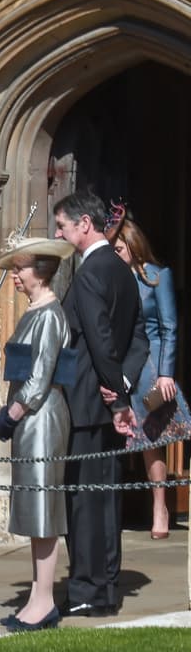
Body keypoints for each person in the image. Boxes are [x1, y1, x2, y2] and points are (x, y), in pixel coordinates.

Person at [53, 191, 147, 618]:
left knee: (87, 501)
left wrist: (116, 393)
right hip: (104, 398)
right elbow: (139, 339)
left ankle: (89, 589)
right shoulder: (122, 270)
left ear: (84, 225)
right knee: (105, 497)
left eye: (63, 226)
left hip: (91, 403)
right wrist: (124, 380)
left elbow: (100, 338)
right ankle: (104, 584)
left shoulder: (92, 272)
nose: (59, 233)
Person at [0, 238, 75, 632]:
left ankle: (45, 601)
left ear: (38, 270)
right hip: (31, 419)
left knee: (44, 511)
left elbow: (40, 379)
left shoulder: (51, 315)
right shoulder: (35, 312)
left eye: (20, 268)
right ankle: (38, 597)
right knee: (34, 509)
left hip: (42, 417)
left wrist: (11, 414)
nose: (15, 276)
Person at [112, 211, 191, 539]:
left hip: (151, 368)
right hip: (121, 365)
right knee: (134, 441)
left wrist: (166, 373)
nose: (114, 255)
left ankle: (162, 507)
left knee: (159, 437)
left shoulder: (158, 276)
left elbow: (170, 326)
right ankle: (143, 507)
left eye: (118, 249)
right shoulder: (111, 280)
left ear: (133, 245)